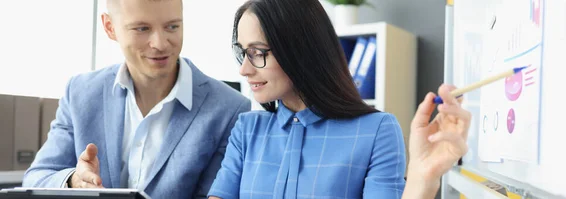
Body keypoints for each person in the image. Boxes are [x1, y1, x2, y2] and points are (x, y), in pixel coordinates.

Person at [206, 0, 471, 198]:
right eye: (243, 52)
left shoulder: (376, 130)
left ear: (300, 49)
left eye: (258, 52)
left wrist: (422, 179)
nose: (244, 69)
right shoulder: (246, 131)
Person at [22, 0, 251, 198]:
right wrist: (74, 181)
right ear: (110, 27)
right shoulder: (80, 92)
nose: (160, 44)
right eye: (142, 28)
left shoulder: (230, 109)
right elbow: (37, 178)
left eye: (172, 26)